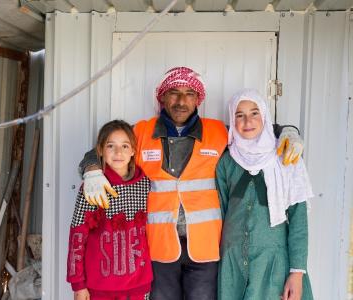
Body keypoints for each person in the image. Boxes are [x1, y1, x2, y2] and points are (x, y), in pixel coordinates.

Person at [79, 67, 304, 300]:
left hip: (205, 248)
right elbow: (106, 148)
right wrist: (91, 169)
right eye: (174, 93)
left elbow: (255, 132)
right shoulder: (142, 132)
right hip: (159, 247)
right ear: (162, 97)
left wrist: (289, 131)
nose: (181, 101)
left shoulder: (217, 131)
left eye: (189, 94)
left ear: (198, 100)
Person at [216, 88, 313, 300]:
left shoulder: (286, 158)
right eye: (239, 115)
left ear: (265, 116)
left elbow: (299, 222)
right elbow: (220, 213)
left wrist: (296, 273)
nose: (247, 121)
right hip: (232, 266)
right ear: (232, 121)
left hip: (273, 267)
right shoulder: (226, 162)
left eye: (254, 113)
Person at [66, 120, 152, 300]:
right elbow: (77, 237)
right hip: (99, 286)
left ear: (133, 150)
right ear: (100, 151)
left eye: (125, 146)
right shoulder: (93, 187)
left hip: (138, 285)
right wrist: (78, 285)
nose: (118, 152)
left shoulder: (145, 184)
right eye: (111, 146)